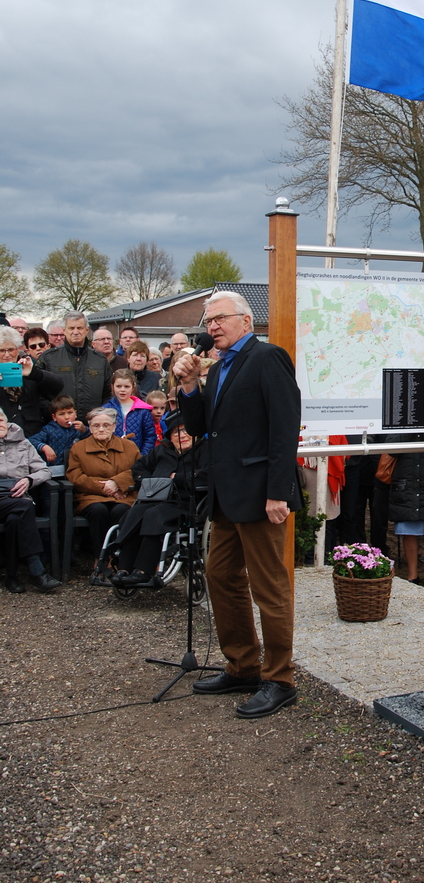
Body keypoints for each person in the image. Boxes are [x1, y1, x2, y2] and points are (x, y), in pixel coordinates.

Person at [173, 290, 302, 720]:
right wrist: (188, 386)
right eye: (208, 321)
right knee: (219, 574)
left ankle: (279, 679)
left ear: (246, 321)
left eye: (220, 319)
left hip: (262, 493)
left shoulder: (268, 358)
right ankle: (243, 666)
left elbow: (284, 428)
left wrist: (278, 491)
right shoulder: (220, 366)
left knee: (269, 586)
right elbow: (199, 427)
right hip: (226, 494)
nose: (212, 327)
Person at [107, 411, 209, 586]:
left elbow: (206, 476)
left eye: (186, 430)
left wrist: (175, 477)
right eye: (176, 432)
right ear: (170, 436)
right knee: (135, 513)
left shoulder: (204, 449)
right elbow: (139, 468)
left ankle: (144, 570)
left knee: (154, 515)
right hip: (156, 498)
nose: (182, 435)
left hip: (186, 502)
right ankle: (124, 568)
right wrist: (149, 481)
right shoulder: (162, 449)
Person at [66, 407, 139, 570]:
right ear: (90, 427)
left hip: (123, 495)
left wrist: (117, 483)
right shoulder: (79, 448)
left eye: (106, 425)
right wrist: (105, 488)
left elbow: (138, 470)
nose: (101, 429)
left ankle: (117, 556)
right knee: (98, 511)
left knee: (120, 511)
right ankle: (100, 557)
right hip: (91, 496)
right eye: (96, 425)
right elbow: (75, 476)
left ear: (114, 426)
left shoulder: (129, 447)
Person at [0, 410, 60, 593]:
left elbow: (44, 470)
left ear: (7, 421)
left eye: (0, 419)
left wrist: (29, 480)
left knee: (15, 518)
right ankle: (36, 569)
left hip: (16, 496)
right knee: (24, 506)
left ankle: (11, 577)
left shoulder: (22, 443)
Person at [39, 312, 112, 422]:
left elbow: (108, 393)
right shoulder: (49, 358)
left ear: (87, 330)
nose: (76, 332)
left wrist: (99, 416)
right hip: (58, 427)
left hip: (92, 426)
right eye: (71, 328)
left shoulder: (100, 360)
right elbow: (39, 394)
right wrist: (54, 413)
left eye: (80, 328)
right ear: (64, 330)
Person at [0, 326, 63, 437]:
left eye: (11, 349)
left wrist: (33, 373)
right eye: (1, 350)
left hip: (31, 434)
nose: (7, 354)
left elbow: (58, 385)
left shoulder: (26, 365)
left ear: (18, 349)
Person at [388, 433, 424, 586]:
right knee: (408, 530)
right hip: (405, 480)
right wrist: (412, 429)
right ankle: (413, 576)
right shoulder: (400, 420)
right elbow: (390, 448)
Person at [102, 369, 157, 454]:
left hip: (136, 456)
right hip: (112, 456)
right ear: (112, 387)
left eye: (126, 386)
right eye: (118, 386)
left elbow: (149, 436)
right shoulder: (106, 409)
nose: (122, 390)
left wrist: (141, 457)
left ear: (133, 387)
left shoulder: (143, 410)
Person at [30, 395, 86, 467]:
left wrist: (84, 430)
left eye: (70, 412)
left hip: (75, 468)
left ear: (75, 414)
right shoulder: (49, 429)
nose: (67, 417)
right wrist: (44, 447)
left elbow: (92, 438)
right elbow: (31, 440)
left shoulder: (79, 429)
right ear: (54, 417)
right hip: (53, 468)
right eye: (61, 414)